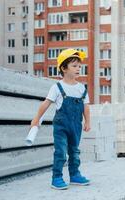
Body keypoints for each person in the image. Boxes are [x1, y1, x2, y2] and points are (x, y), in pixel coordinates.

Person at [31, 49, 91, 190]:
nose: (78, 68)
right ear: (64, 68)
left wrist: (88, 121)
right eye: (74, 66)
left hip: (76, 126)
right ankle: (56, 177)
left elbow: (86, 107)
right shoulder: (57, 87)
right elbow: (45, 103)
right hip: (61, 126)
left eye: (79, 66)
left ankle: (75, 175)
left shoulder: (81, 88)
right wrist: (36, 119)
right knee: (60, 152)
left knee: (74, 152)